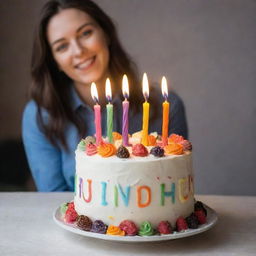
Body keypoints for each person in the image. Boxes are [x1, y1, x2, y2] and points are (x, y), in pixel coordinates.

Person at [22, 0, 188, 192]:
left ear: (106, 33)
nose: (78, 51)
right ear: (54, 61)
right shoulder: (40, 116)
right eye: (62, 47)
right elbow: (53, 197)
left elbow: (174, 187)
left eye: (85, 33)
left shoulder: (166, 105)